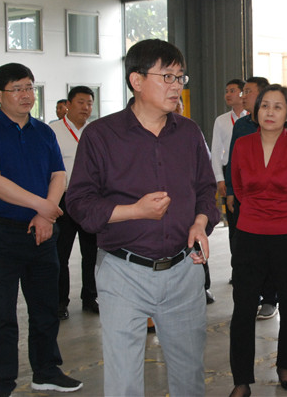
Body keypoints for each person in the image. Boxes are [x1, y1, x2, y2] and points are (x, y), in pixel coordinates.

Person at [65, 39, 221, 396]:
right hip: (123, 272)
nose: (176, 86)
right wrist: (135, 211)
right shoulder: (101, 135)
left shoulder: (189, 133)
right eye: (167, 76)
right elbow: (79, 203)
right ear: (136, 80)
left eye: (180, 77)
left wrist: (200, 222)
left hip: (184, 270)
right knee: (124, 382)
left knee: (189, 376)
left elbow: (205, 188)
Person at [0, 63, 83, 396]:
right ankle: (2, 381)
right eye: (17, 89)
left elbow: (58, 175)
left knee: (45, 307)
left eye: (30, 88)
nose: (26, 95)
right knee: (1, 312)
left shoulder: (43, 132)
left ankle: (46, 370)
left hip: (42, 233)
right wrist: (42, 207)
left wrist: (46, 216)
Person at [229, 84, 287, 397]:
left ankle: (285, 365)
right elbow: (239, 188)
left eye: (278, 106)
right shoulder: (242, 145)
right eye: (265, 105)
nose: (270, 112)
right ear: (256, 111)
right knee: (243, 308)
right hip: (249, 236)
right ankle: (242, 380)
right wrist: (259, 212)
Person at [225, 76, 280, 320]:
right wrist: (230, 191)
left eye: (248, 91)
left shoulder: (275, 122)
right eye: (243, 91)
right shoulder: (241, 125)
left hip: (271, 200)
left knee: (269, 250)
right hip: (244, 199)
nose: (243, 96)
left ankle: (269, 298)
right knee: (244, 250)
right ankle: (249, 297)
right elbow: (233, 161)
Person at [49, 86, 98, 319]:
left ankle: (90, 297)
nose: (86, 108)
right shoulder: (53, 131)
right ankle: (60, 302)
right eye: (80, 102)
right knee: (61, 253)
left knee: (91, 253)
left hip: (89, 200)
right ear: (68, 105)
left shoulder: (95, 132)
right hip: (63, 199)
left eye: (89, 103)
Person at [174, 96, 217, 305]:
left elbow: (206, 170)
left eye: (178, 104)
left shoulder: (190, 132)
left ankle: (203, 287)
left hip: (191, 204)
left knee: (198, 245)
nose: (175, 108)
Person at [211, 79, 247, 257]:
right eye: (226, 91)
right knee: (234, 222)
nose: (227, 94)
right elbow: (216, 151)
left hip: (249, 173)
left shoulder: (253, 118)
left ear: (242, 93)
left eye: (232, 90)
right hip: (229, 173)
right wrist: (220, 179)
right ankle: (237, 265)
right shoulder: (221, 120)